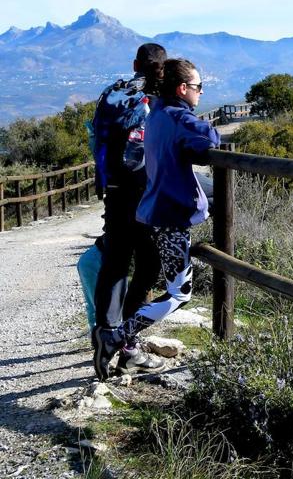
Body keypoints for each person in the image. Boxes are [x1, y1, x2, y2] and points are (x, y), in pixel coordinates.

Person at [93, 58, 219, 380]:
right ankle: (118, 336)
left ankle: (122, 338)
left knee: (167, 282)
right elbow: (211, 138)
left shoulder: (158, 113)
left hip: (158, 212)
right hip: (170, 218)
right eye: (197, 87)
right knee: (180, 293)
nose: (200, 93)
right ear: (182, 88)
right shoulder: (177, 117)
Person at [89, 43, 167, 376]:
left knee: (116, 264)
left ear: (135, 63)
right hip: (146, 194)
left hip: (116, 192)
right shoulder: (158, 100)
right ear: (162, 68)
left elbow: (96, 137)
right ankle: (126, 339)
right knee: (149, 265)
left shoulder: (114, 93)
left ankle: (108, 335)